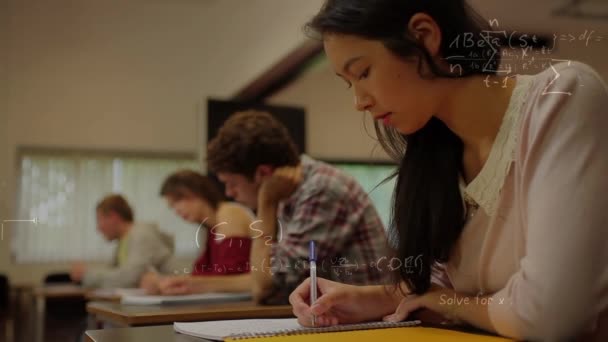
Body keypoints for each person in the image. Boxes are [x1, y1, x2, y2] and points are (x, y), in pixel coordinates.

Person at [289, 0, 608, 340]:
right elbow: (449, 282)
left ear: (425, 37)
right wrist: (368, 299)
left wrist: (452, 304)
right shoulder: (437, 155)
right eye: (348, 83)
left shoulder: (563, 95)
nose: (359, 101)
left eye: (363, 72)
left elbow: (551, 313)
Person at [206, 110, 393, 305]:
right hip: (337, 316)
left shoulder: (321, 190)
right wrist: (196, 285)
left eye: (232, 183)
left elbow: (264, 287)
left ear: (263, 173)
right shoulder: (292, 192)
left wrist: (266, 205)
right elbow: (262, 276)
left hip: (369, 325)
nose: (229, 193)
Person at [139, 170, 254, 295]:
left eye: (177, 202)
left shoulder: (229, 213)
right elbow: (199, 273)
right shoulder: (212, 229)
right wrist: (165, 282)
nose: (176, 211)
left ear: (193, 193)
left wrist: (178, 282)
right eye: (172, 207)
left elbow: (231, 274)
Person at [70, 194, 175, 288]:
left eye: (99, 220)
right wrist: (87, 273)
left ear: (113, 217)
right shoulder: (123, 240)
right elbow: (115, 272)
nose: (98, 228)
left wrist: (87, 275)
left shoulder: (141, 235)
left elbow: (129, 278)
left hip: (175, 303)